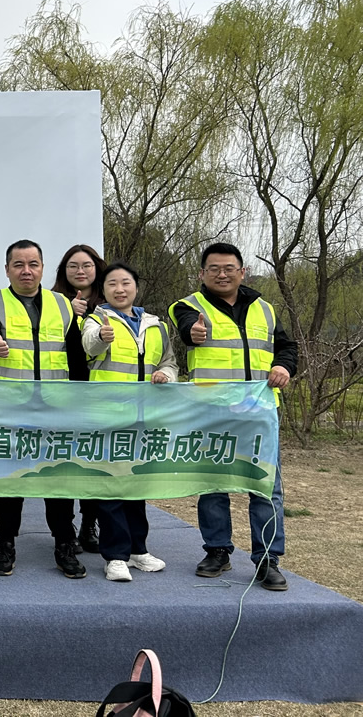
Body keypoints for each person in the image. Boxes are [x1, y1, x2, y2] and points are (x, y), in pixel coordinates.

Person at [169, 242, 296, 592]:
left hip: (259, 413)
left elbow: (287, 347)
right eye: (214, 269)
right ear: (202, 273)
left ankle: (267, 559)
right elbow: (186, 329)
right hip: (211, 413)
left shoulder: (265, 309)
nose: (222, 274)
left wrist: (284, 366)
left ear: (243, 272)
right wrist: (193, 334)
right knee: (213, 484)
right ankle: (217, 551)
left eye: (229, 268)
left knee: (266, 487)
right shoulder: (188, 306)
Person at [0, 239, 87, 579]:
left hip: (56, 410)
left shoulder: (62, 304)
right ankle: (7, 543)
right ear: (7, 269)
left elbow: (76, 355)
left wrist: (82, 400)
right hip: (10, 410)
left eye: (33, 264)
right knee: (11, 482)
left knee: (58, 480)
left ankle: (64, 543)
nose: (26, 271)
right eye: (19, 265)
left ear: (42, 268)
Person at [82, 262, 176, 581]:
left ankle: (138, 550)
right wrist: (102, 337)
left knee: (137, 484)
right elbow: (89, 347)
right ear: (103, 290)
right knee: (110, 486)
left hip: (144, 419)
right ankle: (115, 556)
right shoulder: (96, 319)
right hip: (107, 419)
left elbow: (169, 361)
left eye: (126, 283)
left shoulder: (156, 325)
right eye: (112, 284)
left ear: (136, 287)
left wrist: (166, 374)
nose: (119, 289)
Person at [51, 243, 108, 554]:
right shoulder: (51, 302)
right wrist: (67, 313)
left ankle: (90, 523)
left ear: (97, 269)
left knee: (92, 462)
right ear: (63, 271)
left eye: (86, 265)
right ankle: (65, 530)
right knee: (62, 463)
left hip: (97, 395)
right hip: (62, 394)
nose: (80, 271)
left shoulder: (109, 304)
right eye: (73, 266)